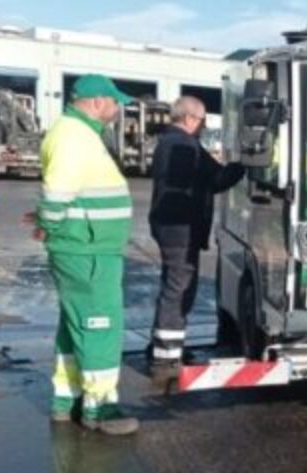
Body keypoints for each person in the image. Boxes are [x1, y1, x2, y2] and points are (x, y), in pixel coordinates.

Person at [35, 75, 138, 434]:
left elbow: (62, 196)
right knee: (100, 325)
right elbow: (58, 192)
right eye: (115, 102)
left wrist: (50, 224)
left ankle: (67, 398)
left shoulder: (73, 133)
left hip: (86, 246)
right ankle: (100, 407)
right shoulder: (73, 137)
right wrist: (51, 225)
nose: (118, 108)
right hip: (88, 250)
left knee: (74, 324)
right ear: (97, 102)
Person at [147, 96, 245, 379]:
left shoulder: (170, 142)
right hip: (180, 228)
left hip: (170, 226)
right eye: (203, 121)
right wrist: (243, 166)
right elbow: (214, 180)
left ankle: (165, 347)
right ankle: (165, 360)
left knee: (173, 285)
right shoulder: (184, 145)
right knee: (179, 288)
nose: (203, 126)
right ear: (190, 118)